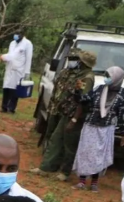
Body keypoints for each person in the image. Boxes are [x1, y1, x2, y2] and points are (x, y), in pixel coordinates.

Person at [33, 49, 97, 181]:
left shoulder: (87, 77)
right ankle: (46, 167)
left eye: (79, 59)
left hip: (75, 115)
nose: (76, 61)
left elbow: (82, 100)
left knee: (69, 144)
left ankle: (65, 172)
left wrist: (74, 119)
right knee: (55, 140)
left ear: (83, 63)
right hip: (66, 112)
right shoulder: (76, 73)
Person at [73, 67, 124, 191]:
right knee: (86, 152)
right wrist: (77, 91)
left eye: (109, 76)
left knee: (99, 155)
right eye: (106, 75)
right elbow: (83, 100)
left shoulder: (122, 95)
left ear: (117, 79)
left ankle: (94, 183)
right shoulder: (99, 89)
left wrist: (123, 132)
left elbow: (122, 115)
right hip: (90, 126)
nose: (106, 78)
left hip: (106, 129)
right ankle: (82, 181)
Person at [0, 31, 33, 114]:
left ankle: (11, 108)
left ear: (23, 35)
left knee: (15, 89)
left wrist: (27, 73)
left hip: (19, 70)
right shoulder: (12, 43)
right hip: (9, 68)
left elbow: (28, 59)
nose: (16, 36)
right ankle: (4, 107)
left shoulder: (27, 44)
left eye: (18, 35)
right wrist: (4, 57)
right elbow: (11, 55)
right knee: (6, 87)